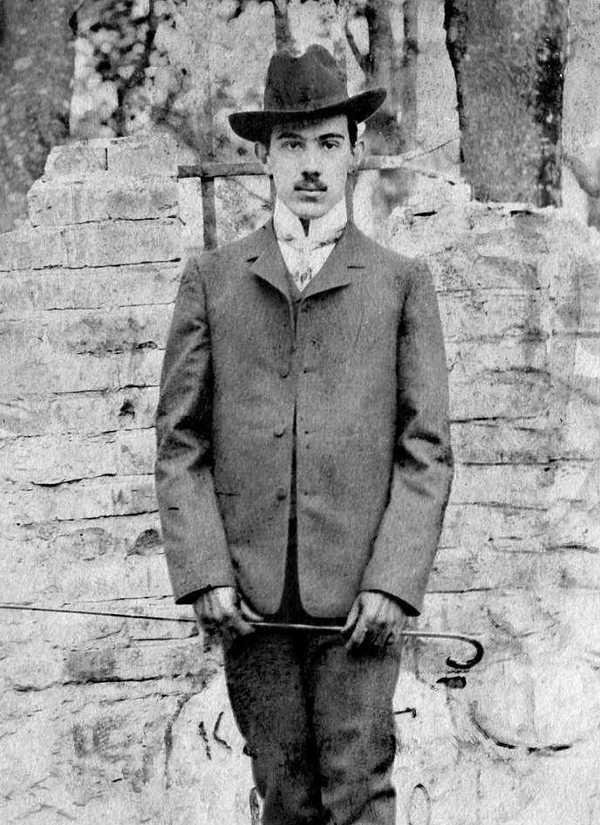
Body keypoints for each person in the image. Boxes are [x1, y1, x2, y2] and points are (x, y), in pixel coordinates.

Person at [155, 44, 454, 825]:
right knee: (284, 797)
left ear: (355, 151)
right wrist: (205, 570)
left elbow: (426, 449)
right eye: (292, 144)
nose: (311, 165)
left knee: (357, 793)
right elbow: (180, 441)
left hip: (360, 601)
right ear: (265, 156)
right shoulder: (213, 279)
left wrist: (392, 581)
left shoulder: (399, 283)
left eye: (327, 143)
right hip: (249, 603)